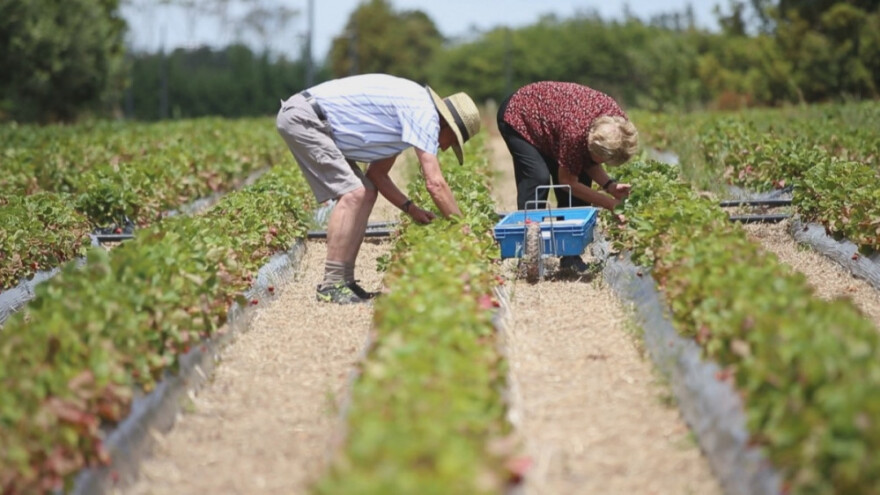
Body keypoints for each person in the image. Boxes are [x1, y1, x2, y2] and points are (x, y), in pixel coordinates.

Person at [276, 73, 481, 304]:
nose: (445, 148)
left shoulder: (411, 115)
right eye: (452, 142)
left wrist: (410, 208)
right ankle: (331, 285)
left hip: (315, 121)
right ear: (447, 125)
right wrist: (462, 228)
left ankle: (345, 282)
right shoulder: (424, 113)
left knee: (367, 190)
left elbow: (377, 175)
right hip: (306, 119)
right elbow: (434, 183)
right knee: (354, 194)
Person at [496, 81, 639, 271]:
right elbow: (567, 182)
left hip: (554, 122)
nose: (601, 164)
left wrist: (610, 186)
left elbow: (588, 161)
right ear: (588, 142)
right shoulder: (575, 133)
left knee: (579, 177)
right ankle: (530, 255)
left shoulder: (618, 124)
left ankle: (570, 256)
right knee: (537, 178)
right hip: (519, 116)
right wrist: (610, 204)